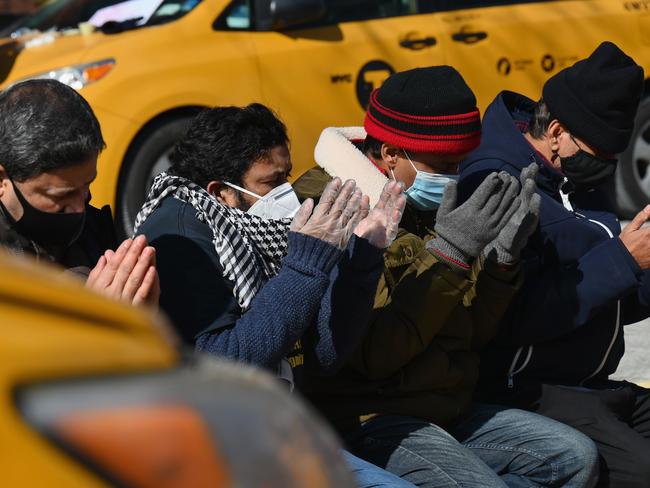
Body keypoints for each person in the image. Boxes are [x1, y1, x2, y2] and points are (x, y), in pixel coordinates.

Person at [293, 66, 599, 487]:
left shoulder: (432, 204)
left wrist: (501, 262)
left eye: (461, 163)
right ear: (390, 154)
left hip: (444, 403)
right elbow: (373, 356)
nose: (454, 176)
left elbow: (471, 333)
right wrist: (450, 256)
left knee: (574, 458)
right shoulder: (332, 209)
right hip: (367, 414)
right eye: (443, 164)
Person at [134, 103, 415, 487]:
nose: (287, 193)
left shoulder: (256, 228)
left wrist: (361, 258)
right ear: (221, 193)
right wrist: (304, 266)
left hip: (286, 421)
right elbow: (225, 367)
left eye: (288, 175)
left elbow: (323, 355)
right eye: (270, 183)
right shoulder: (182, 240)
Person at [458, 41, 650, 488]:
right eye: (600, 156)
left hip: (590, 380)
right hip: (522, 388)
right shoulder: (496, 182)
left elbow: (613, 304)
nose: (606, 169)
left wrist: (640, 264)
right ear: (558, 130)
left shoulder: (575, 177)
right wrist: (623, 258)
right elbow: (514, 316)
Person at [0, 79, 159, 307]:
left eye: (87, 186)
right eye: (61, 196)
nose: (79, 208)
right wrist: (91, 315)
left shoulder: (93, 228)